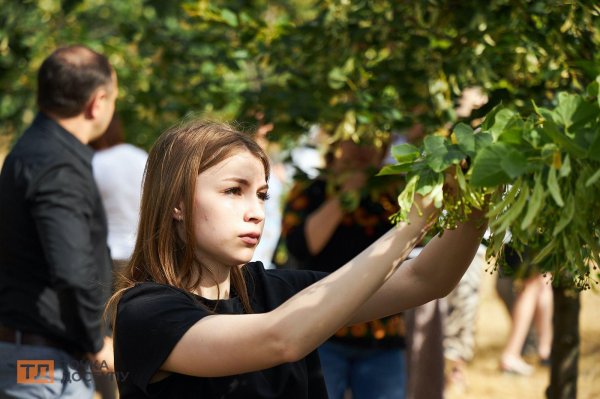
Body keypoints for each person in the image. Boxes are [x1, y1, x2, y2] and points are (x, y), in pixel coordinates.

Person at [108, 120, 487, 399]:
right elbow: (280, 340)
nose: (256, 211)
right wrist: (411, 225)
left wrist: (476, 198)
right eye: (233, 191)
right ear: (175, 202)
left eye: (261, 195)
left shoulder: (273, 290)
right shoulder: (145, 311)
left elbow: (425, 279)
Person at [0, 45, 118, 398]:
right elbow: (71, 269)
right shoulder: (58, 167)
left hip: (35, 357)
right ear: (96, 103)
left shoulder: (34, 149)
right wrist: (97, 343)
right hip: (43, 365)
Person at [275, 138, 409, 399]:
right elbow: (302, 246)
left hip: (383, 334)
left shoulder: (395, 195)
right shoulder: (310, 190)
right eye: (355, 140)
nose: (363, 149)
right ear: (336, 142)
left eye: (372, 141)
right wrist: (348, 192)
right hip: (320, 333)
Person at [89, 114, 148, 399]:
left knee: (102, 336)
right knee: (131, 333)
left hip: (105, 258)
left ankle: (110, 393)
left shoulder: (94, 164)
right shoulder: (140, 157)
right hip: (138, 254)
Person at [498, 246, 553, 376]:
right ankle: (511, 354)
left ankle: (545, 349)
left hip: (520, 235)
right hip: (528, 234)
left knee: (543, 279)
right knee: (533, 282)